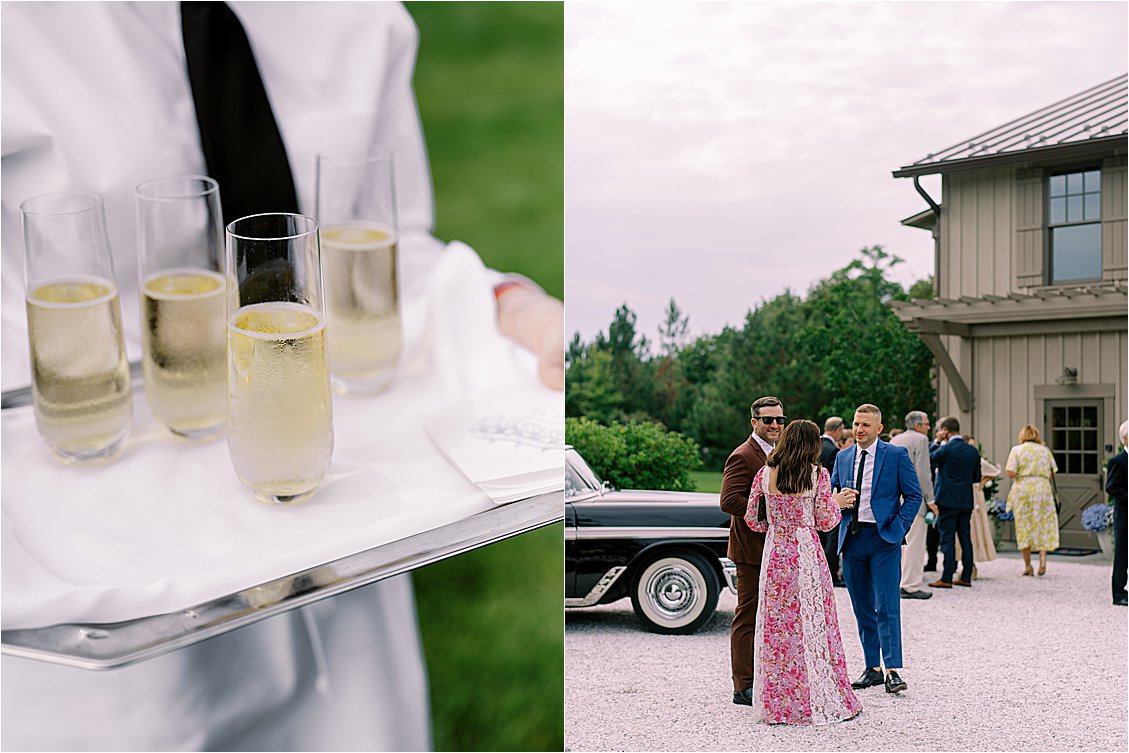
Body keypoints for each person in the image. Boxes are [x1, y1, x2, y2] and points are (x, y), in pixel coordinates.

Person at [1, 3, 562, 750]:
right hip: (101, 563)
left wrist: (512, 305)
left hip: (330, 531)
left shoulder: (355, 15)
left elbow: (382, 254)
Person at [743, 419, 862, 725]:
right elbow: (824, 521)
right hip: (806, 553)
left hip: (775, 554)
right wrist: (837, 503)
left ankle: (777, 704)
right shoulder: (817, 474)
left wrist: (776, 528)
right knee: (814, 624)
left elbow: (752, 520)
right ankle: (816, 697)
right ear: (812, 445)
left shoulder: (765, 472)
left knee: (776, 628)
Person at [831, 404, 921, 694]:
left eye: (866, 425)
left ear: (879, 429)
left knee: (887, 605)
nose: (859, 430)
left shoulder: (895, 455)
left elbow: (914, 495)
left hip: (884, 540)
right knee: (862, 608)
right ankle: (873, 668)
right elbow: (830, 493)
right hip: (853, 539)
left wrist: (898, 528)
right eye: (856, 424)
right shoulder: (842, 457)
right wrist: (839, 497)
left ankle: (893, 669)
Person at [720, 396, 783, 706]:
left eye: (779, 420)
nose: (774, 425)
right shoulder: (743, 455)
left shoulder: (780, 454)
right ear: (754, 422)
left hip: (778, 550)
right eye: (768, 419)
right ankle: (742, 686)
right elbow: (729, 501)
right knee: (748, 616)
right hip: (751, 550)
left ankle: (768, 677)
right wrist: (771, 512)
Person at [928, 417, 982, 589]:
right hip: (965, 500)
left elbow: (929, 458)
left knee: (948, 539)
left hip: (946, 500)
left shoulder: (945, 449)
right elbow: (976, 477)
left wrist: (937, 441)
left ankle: (946, 577)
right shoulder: (972, 451)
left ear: (945, 430)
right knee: (965, 538)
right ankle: (966, 576)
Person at [1005, 424, 1060, 577]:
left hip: (1023, 490)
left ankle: (1028, 565)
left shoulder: (1017, 450)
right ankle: (1042, 560)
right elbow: (1052, 472)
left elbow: (1011, 472)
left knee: (1024, 526)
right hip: (1042, 490)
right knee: (1043, 524)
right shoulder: (1044, 450)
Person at [891, 410, 934, 600]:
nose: (929, 427)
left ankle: (898, 581)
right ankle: (910, 584)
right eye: (926, 424)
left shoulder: (895, 439)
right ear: (918, 426)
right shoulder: (921, 440)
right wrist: (931, 500)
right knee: (915, 544)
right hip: (914, 499)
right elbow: (924, 473)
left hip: (894, 498)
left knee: (899, 544)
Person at [957, 436, 999, 578]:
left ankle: (972, 565)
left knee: (975, 530)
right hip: (965, 494)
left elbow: (994, 472)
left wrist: (982, 481)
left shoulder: (977, 460)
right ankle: (967, 565)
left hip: (975, 496)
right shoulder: (962, 459)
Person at [820, 416, 846, 587]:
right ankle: (832, 574)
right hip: (829, 497)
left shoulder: (816, 444)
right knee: (833, 537)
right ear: (837, 430)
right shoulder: (833, 450)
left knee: (821, 538)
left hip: (815, 497)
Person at [1107, 420, 1127, 606]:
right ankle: (1119, 593)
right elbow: (1111, 487)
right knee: (1122, 555)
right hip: (1124, 515)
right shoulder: (1117, 461)